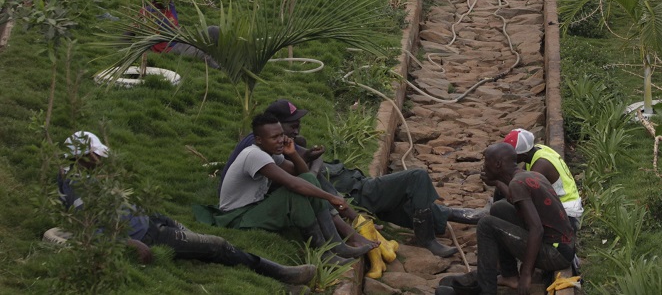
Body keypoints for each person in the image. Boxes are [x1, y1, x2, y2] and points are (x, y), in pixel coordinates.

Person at [219, 99, 482, 258]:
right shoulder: (257, 152)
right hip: (353, 192)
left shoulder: (276, 148)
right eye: (287, 128)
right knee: (416, 177)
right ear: (266, 132)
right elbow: (303, 180)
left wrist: (302, 154)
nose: (292, 132)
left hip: (349, 189)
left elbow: (304, 173)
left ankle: (462, 217)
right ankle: (427, 237)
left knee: (408, 201)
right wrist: (339, 202)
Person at [58, 131, 316, 286]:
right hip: (144, 235)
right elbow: (88, 228)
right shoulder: (77, 189)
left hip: (146, 220)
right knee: (218, 245)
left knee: (190, 236)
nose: (102, 160)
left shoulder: (79, 175)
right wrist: (128, 244)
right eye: (97, 156)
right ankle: (281, 273)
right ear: (82, 157)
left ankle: (192, 242)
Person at [203, 113, 376, 262]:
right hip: (237, 217)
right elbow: (293, 183)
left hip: (253, 209)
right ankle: (325, 254)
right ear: (258, 139)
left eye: (281, 135)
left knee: (307, 179)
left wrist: (292, 153)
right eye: (274, 138)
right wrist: (331, 197)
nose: (280, 141)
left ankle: (337, 246)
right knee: (294, 194)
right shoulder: (254, 155)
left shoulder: (269, 152)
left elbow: (301, 174)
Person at [474, 142, 576, 295]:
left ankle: (486, 290)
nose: (483, 165)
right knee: (498, 208)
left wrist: (527, 273)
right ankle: (509, 276)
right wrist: (496, 182)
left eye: (486, 160)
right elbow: (514, 199)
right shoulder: (529, 175)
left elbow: (537, 229)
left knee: (486, 225)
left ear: (497, 164)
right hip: (564, 245)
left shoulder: (517, 184)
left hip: (556, 254)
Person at [501, 129, 582, 230]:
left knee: (519, 209)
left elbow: (519, 195)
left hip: (567, 214)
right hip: (559, 205)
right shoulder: (538, 150)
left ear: (522, 156)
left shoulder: (541, 165)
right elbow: (517, 177)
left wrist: (497, 182)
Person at [142, 0, 220, 69]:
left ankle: (230, 58)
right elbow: (132, 29)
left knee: (215, 30)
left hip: (183, 40)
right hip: (170, 48)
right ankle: (221, 70)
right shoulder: (148, 12)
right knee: (201, 52)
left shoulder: (169, 5)